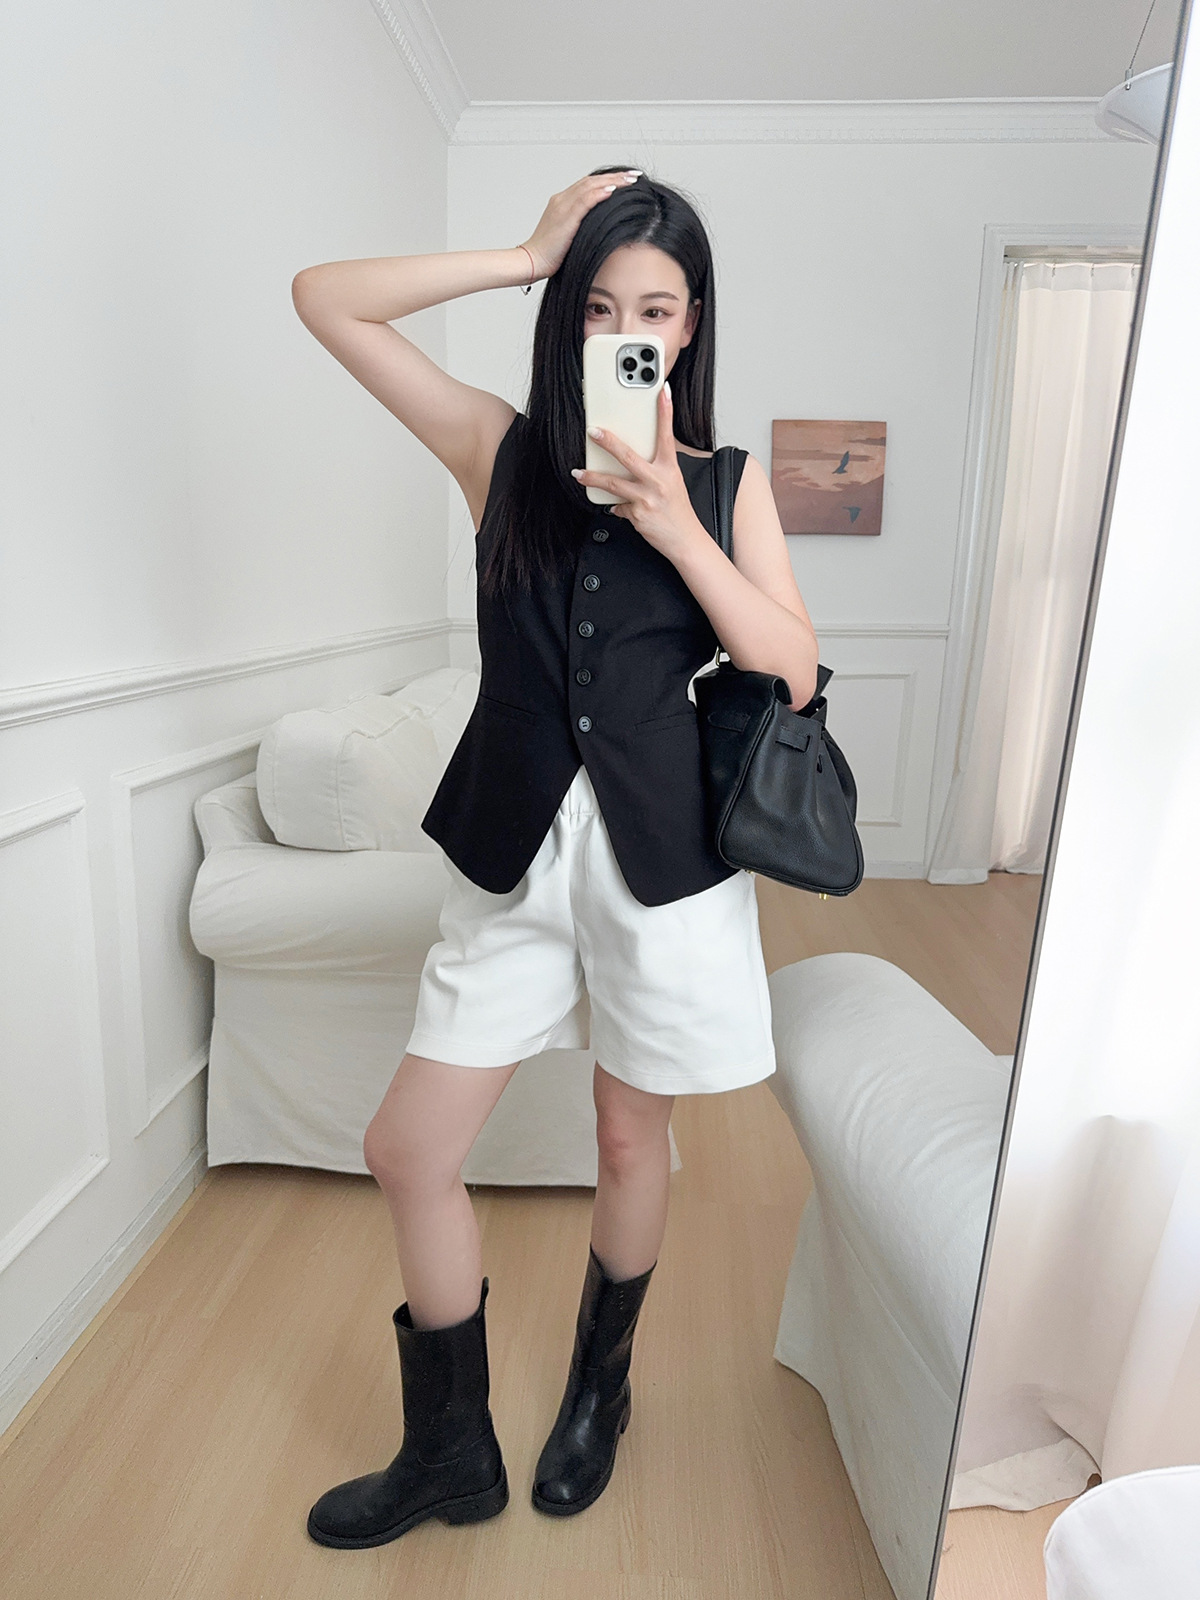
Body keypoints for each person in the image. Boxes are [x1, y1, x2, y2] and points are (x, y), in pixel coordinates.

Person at [291, 165, 819, 1550]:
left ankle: (599, 1393)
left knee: (629, 1135)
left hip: (662, 860)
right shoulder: (497, 449)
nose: (627, 329)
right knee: (409, 1147)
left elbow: (790, 667)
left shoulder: (727, 483)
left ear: (690, 327)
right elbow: (326, 300)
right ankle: (450, 1451)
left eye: (655, 309)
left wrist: (677, 525)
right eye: (598, 306)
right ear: (567, 317)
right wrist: (525, 252)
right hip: (513, 847)